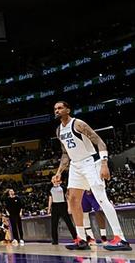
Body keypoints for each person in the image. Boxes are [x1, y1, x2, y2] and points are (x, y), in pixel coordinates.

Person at [51, 101, 131, 251]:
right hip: (75, 165)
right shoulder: (58, 130)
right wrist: (59, 172)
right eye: (55, 109)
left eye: (60, 108)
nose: (57, 111)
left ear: (68, 110)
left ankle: (121, 239)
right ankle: (81, 239)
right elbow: (65, 153)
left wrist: (104, 163)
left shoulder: (78, 124)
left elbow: (99, 142)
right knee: (73, 200)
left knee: (101, 198)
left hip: (90, 162)